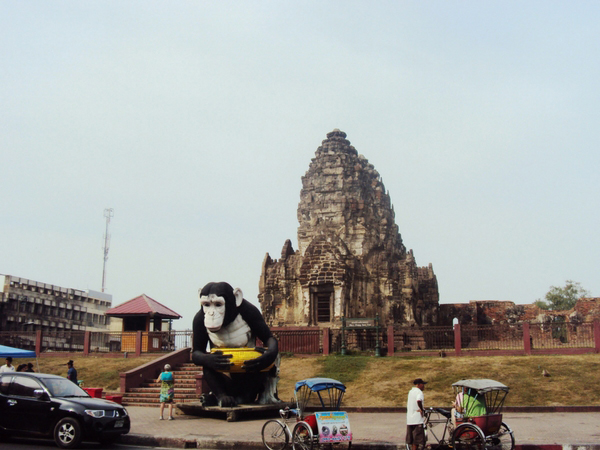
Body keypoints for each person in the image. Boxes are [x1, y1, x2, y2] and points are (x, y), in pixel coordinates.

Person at [406, 378, 427, 450]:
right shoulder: (419, 392)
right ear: (418, 385)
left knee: (411, 441)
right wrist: (422, 409)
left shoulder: (411, 392)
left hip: (410, 419)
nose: (423, 386)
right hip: (417, 420)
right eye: (422, 384)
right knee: (416, 441)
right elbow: (418, 400)